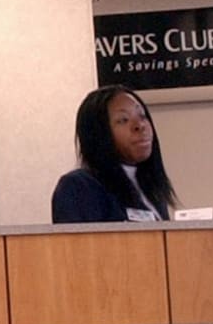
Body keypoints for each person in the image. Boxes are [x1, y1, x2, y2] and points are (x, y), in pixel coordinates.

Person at [51, 85, 177, 222]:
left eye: (142, 116)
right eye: (123, 120)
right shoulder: (78, 186)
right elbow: (78, 243)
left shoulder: (151, 188)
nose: (139, 125)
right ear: (98, 132)